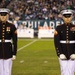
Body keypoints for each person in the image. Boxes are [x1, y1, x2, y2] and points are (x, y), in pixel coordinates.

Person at [54, 9, 75, 75]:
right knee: (63, 72)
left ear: (71, 17)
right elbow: (56, 42)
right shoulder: (59, 28)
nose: (67, 18)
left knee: (71, 72)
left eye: (69, 17)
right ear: (63, 17)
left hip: (72, 52)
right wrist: (60, 53)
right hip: (62, 52)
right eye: (66, 17)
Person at [0, 8, 17, 75]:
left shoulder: (12, 26)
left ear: (7, 16)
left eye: (4, 15)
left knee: (7, 71)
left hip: (8, 51)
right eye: (1, 15)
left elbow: (15, 41)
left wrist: (14, 53)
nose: (3, 17)